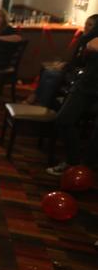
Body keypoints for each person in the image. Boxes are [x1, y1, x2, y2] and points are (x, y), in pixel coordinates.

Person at [46, 22, 98, 176]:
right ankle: (73, 162)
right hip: (88, 81)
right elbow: (89, 43)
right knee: (64, 119)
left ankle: (86, 169)